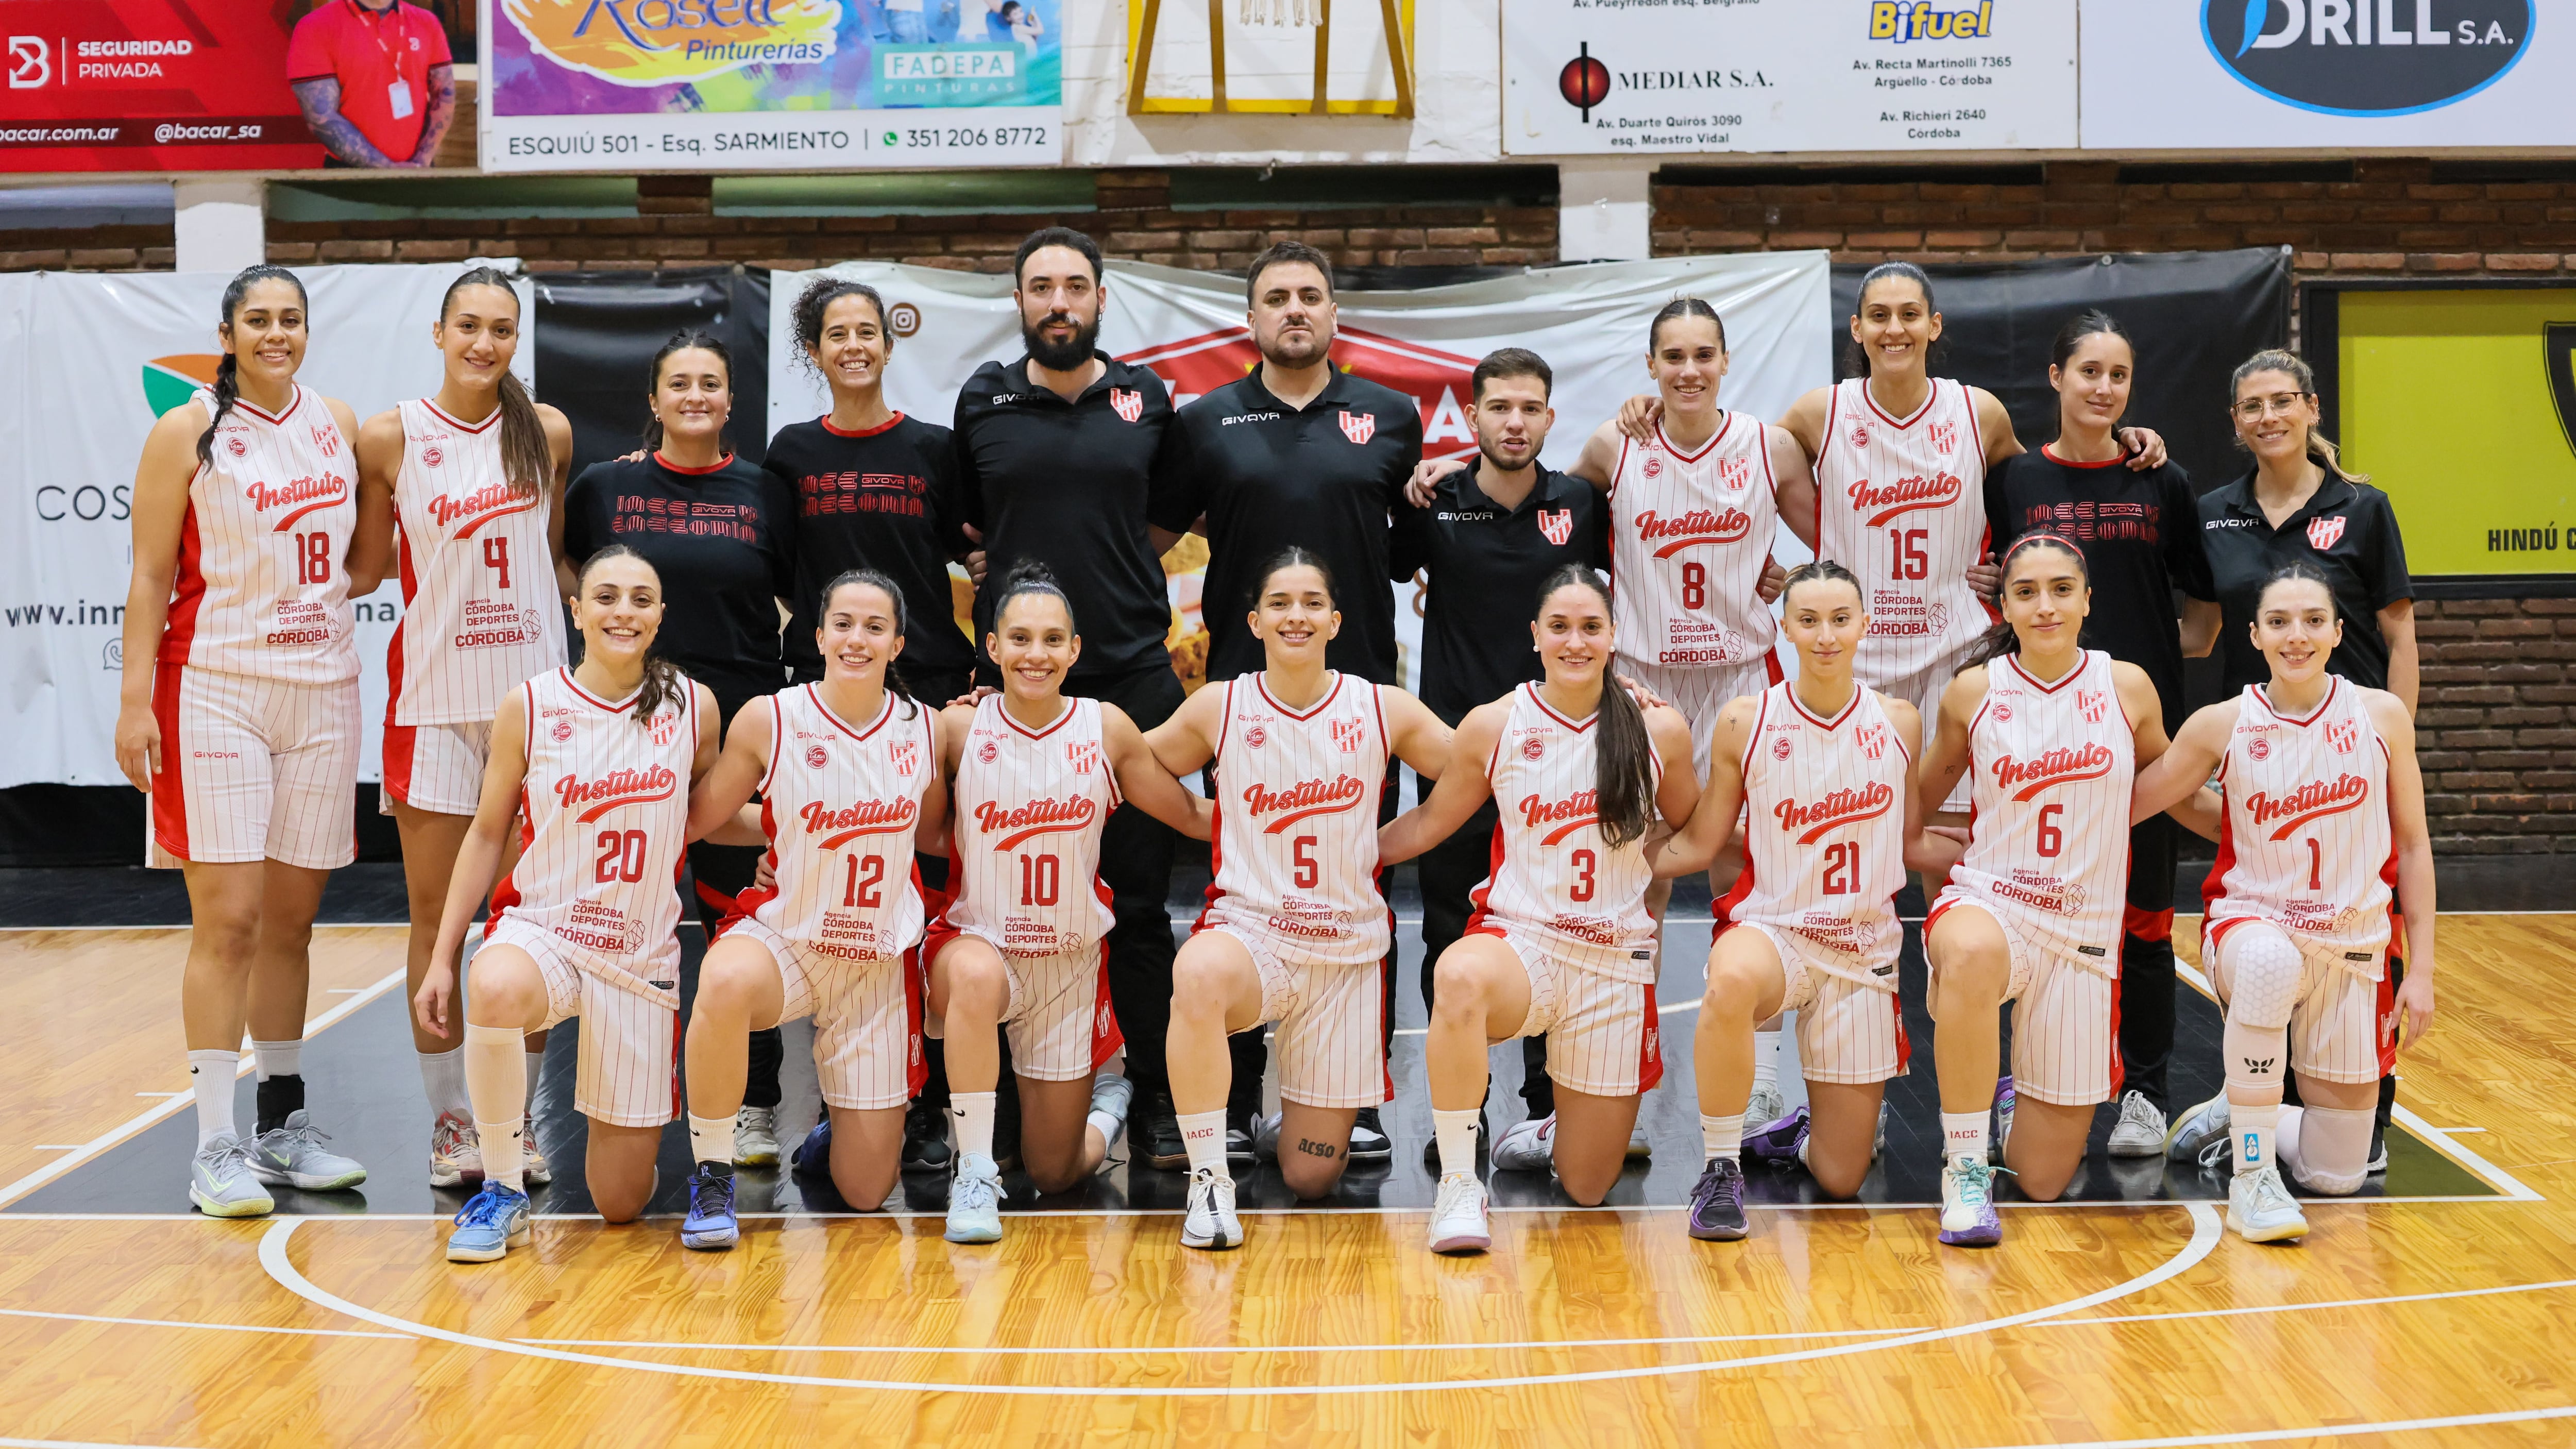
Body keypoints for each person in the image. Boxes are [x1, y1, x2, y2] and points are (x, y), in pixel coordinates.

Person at [1408, 301, 1804, 1127]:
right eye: (1672, 356)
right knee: (1547, 905)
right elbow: (1467, 520)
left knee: (1690, 888)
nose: (1688, 369)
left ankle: (1700, 1088)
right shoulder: (1493, 485)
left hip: (1664, 702)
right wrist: (1436, 471)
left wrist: (1782, 578)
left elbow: (1828, 538)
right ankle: (1531, 1095)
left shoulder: (1721, 458)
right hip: (1556, 711)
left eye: (1704, 354)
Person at [114, 263, 384, 1219]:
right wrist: (134, 703)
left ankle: (283, 1124)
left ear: (309, 330)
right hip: (215, 690)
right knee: (226, 921)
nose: (276, 333)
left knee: (290, 923)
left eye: (291, 319)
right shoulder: (187, 429)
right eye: (258, 319)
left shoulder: (339, 422)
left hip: (323, 693)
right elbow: (150, 577)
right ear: (226, 332)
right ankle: (213, 1144)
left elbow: (365, 559)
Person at [1148, 239, 1425, 1165]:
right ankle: (1227, 1095)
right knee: (1244, 897)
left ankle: (1361, 1092)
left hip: (1362, 700)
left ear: (1336, 314)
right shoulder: (1209, 422)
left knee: (1362, 892)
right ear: (1252, 320)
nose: (1295, 310)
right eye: (1277, 298)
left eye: (1311, 296)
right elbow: (1140, 537)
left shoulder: (1390, 417)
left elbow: (1425, 540)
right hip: (1242, 696)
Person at [951, 227, 1195, 1170]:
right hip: (1015, 684)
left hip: (1130, 670)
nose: (1060, 300)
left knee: (1137, 905)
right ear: (1019, 302)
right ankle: (998, 1097)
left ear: (1101, 298)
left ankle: (1159, 1094)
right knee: (996, 904)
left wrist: (1109, 563)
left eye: (1076, 285)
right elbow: (970, 517)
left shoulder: (1145, 398)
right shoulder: (984, 396)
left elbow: (1165, 517)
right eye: (1041, 286)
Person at [1378, 566, 1699, 1253]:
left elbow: (1689, 829)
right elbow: (1430, 823)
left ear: (1614, 637)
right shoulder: (1496, 724)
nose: (1575, 641)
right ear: (1535, 636)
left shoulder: (1659, 730)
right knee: (1458, 977)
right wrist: (1352, 858)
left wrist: (1650, 863)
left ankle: (1559, 1126)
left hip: (1613, 963)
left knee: (1587, 1185)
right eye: (1560, 627)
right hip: (1522, 946)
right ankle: (1461, 1183)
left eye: (1590, 627)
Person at [1142, 549, 1452, 1250]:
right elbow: (1136, 759)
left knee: (1312, 1177)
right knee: (1195, 973)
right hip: (1251, 937)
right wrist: (1199, 820)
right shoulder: (1221, 704)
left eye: (1313, 603)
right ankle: (1210, 1182)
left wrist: (1400, 840)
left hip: (1343, 959)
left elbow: (1478, 763)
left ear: (1337, 621)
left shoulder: (1382, 705)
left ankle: (1302, 1112)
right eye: (1280, 603)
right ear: (1253, 621)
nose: (1296, 616)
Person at [421, 547, 722, 1261]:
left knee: (618, 1202)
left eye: (642, 599)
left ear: (659, 617)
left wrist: (794, 833)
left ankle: (624, 1155)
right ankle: (501, 1189)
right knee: (491, 985)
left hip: (639, 955)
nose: (624, 611)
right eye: (608, 596)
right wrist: (443, 955)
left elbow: (711, 811)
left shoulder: (693, 705)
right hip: (545, 933)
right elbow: (488, 831)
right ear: (577, 609)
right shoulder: (529, 706)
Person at [2135, 562, 2436, 1245]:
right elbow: (2144, 798)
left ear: (2336, 632)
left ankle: (2240, 1113)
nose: (2294, 636)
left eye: (2310, 621)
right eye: (2278, 622)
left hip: (2352, 949)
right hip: (2249, 932)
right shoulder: (2223, 723)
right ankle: (2251, 1179)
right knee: (2270, 963)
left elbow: (2414, 849)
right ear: (2255, 635)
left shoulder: (2382, 717)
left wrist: (2419, 971)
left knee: (2338, 1176)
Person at [351, 266, 573, 1190]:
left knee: (525, 924)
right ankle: (453, 1123)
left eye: (502, 330)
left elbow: (553, 562)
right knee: (438, 922)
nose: (485, 344)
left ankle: (512, 1122)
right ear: (439, 333)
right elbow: (365, 565)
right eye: (469, 327)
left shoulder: (547, 432)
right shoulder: (390, 434)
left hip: (535, 709)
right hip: (434, 704)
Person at [1983, 310, 2222, 1158]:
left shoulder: (2163, 479)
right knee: (2027, 916)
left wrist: (2166, 659)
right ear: (2056, 379)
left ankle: (2145, 1093)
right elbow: (1993, 577)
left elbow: (2204, 601)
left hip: (2130, 732)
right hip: (2039, 738)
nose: (2104, 388)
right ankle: (2022, 1084)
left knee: (2147, 922)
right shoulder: (2012, 481)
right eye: (2089, 372)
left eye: (2118, 375)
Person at [560, 330, 798, 1165]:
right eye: (680, 384)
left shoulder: (766, 491)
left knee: (745, 920)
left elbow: (803, 592)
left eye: (711, 384)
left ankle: (755, 1105)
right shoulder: (604, 487)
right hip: (632, 727)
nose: (696, 396)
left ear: (730, 402)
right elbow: (572, 575)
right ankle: (620, 1095)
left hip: (740, 727)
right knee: (624, 916)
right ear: (655, 401)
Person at [921, 564, 1213, 1242]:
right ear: (991, 648)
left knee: (1057, 1174)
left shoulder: (1105, 729)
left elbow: (1189, 814)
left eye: (1053, 640)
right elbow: (905, 822)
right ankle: (973, 1171)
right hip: (978, 947)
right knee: (972, 974)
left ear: (1075, 651)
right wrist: (780, 846)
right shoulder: (955, 731)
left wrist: (1279, 825)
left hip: (1068, 968)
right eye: (1019, 638)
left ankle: (1111, 1101)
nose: (1036, 654)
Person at [1911, 534, 2188, 1248]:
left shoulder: (2127, 687)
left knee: (2042, 1177)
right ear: (2004, 606)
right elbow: (1918, 796)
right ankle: (1966, 1170)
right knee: (1969, 954)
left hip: (2084, 934)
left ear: (2087, 599)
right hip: (1992, 903)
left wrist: (2258, 824)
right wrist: (1914, 845)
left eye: (2062, 589)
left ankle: (2004, 1102)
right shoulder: (1974, 691)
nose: (2045, 606)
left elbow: (2176, 786)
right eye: (2026, 592)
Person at [762, 275, 980, 1175]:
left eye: (866, 332)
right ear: (812, 352)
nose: (852, 345)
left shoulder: (934, 447)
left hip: (927, 688)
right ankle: (820, 1095)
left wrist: (984, 678)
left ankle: (929, 1099)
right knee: (831, 896)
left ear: (887, 345)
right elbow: (774, 568)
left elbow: (978, 555)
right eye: (834, 334)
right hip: (830, 701)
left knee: (927, 889)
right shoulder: (792, 452)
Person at [1657, 561, 1936, 1243]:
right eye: (1808, 621)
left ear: (1865, 625)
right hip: (1773, 930)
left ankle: (1797, 1134)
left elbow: (1909, 840)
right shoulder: (1744, 720)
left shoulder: (1900, 722)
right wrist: (1623, 862)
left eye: (1840, 619)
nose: (1825, 636)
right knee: (1728, 981)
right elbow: (1703, 841)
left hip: (1863, 950)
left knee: (1841, 1177)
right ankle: (1721, 1168)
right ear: (1784, 629)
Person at [2191, 347, 2418, 1170]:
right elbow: (2200, 632)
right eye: (2252, 406)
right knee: (2270, 937)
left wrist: (2392, 752)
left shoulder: (2363, 507)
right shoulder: (2214, 510)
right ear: (2236, 422)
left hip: (2347, 757)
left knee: (2359, 931)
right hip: (2259, 760)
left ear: (2312, 407)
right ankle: (2252, 1108)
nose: (2268, 418)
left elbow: (2398, 636)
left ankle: (2367, 1115)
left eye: (2282, 401)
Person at [672, 571, 945, 1250]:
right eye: (844, 624)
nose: (858, 638)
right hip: (789, 943)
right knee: (725, 980)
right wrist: (780, 833)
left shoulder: (926, 729)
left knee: (865, 1192)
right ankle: (711, 1174)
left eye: (875, 627)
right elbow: (702, 818)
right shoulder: (773, 717)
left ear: (898, 642)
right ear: (817, 634)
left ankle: (840, 1129)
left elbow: (935, 834)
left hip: (875, 965)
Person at [1388, 347, 1608, 1149]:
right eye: (1499, 408)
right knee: (1449, 925)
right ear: (1472, 418)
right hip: (1458, 748)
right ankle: (1464, 1112)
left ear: (1550, 419)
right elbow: (1382, 564)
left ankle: (1551, 1105)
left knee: (1560, 923)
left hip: (1563, 754)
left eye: (1530, 409)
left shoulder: (1582, 502)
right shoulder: (1435, 499)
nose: (1515, 423)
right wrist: (1423, 478)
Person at [286, 0, 456, 168]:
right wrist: (387, 169)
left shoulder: (426, 22)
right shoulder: (316, 26)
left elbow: (444, 93)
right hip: (351, 175)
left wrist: (422, 160)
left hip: (418, 171)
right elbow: (321, 116)